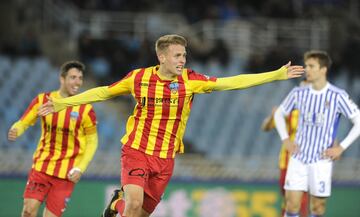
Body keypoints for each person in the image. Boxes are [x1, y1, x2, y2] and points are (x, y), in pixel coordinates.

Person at [37, 34, 304, 217]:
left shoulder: (191, 81)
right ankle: (123, 202)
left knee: (140, 212)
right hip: (136, 150)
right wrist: (63, 103)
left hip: (165, 158)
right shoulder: (139, 78)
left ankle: (115, 205)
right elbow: (103, 92)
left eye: (184, 55)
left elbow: (231, 82)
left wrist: (276, 75)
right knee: (134, 203)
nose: (182, 60)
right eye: (177, 55)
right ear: (162, 57)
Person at [273, 50, 360, 217]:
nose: (307, 70)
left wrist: (341, 147)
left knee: (318, 208)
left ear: (323, 69)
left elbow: (358, 121)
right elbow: (279, 114)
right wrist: (285, 139)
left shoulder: (337, 95)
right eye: (306, 66)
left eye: (311, 66)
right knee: (291, 205)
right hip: (298, 158)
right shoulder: (298, 93)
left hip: (321, 160)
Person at [8, 61, 98, 217]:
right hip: (42, 166)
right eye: (73, 77)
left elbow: (92, 141)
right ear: (62, 79)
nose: (77, 82)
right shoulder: (43, 100)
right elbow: (25, 121)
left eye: (80, 78)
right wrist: (16, 129)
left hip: (66, 173)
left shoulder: (85, 108)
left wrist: (80, 168)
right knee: (28, 211)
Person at [261, 81, 309, 217]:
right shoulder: (290, 112)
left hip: (306, 162)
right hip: (287, 161)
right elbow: (265, 127)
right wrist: (273, 115)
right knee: (288, 200)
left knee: (300, 200)